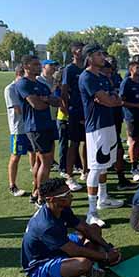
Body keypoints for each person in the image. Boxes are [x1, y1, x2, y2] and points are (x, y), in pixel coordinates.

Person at [21, 178, 122, 277]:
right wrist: (106, 256)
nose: (71, 197)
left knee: (94, 228)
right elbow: (73, 250)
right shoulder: (46, 225)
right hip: (41, 263)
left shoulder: (62, 207)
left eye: (69, 192)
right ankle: (91, 264)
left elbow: (85, 228)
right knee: (83, 264)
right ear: (51, 199)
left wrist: (108, 248)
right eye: (66, 195)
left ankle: (94, 260)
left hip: (59, 246)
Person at [79, 44, 124, 227]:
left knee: (105, 164)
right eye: (98, 54)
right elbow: (108, 100)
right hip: (96, 127)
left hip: (108, 124)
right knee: (96, 167)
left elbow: (115, 99)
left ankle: (103, 198)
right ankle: (91, 212)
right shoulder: (87, 77)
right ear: (89, 58)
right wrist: (110, 99)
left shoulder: (103, 77)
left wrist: (110, 99)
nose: (102, 57)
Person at [16, 55, 62, 205]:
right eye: (35, 64)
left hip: (47, 124)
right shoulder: (23, 84)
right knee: (46, 162)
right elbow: (38, 105)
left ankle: (36, 191)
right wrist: (46, 100)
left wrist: (45, 99)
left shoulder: (41, 85)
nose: (38, 67)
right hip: (36, 127)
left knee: (41, 161)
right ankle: (42, 196)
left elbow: (57, 101)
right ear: (26, 66)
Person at [105, 56, 137, 191]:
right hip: (103, 122)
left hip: (115, 118)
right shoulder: (99, 81)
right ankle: (101, 190)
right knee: (105, 154)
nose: (110, 71)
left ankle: (121, 179)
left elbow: (118, 100)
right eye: (108, 69)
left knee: (118, 150)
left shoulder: (115, 78)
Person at [4, 65, 36, 197]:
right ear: (19, 74)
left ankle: (37, 180)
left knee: (34, 153)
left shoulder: (25, 86)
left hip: (31, 126)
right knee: (16, 156)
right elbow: (17, 109)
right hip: (18, 129)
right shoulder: (10, 89)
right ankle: (12, 185)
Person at [120, 61, 139, 182]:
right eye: (137, 67)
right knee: (134, 141)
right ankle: (134, 168)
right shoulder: (126, 82)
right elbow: (121, 101)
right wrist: (138, 105)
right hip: (132, 116)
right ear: (131, 69)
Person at [61, 42, 86, 191]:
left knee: (87, 142)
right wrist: (67, 111)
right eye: (80, 50)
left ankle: (85, 171)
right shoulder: (69, 69)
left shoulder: (86, 67)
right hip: (75, 111)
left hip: (88, 111)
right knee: (74, 143)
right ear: (75, 52)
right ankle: (69, 176)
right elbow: (64, 91)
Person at [37, 59, 60, 171]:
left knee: (52, 141)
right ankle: (38, 166)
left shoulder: (55, 80)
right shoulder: (38, 80)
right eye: (50, 65)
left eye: (54, 66)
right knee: (40, 147)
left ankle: (51, 161)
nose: (53, 68)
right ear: (44, 67)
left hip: (54, 115)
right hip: (42, 116)